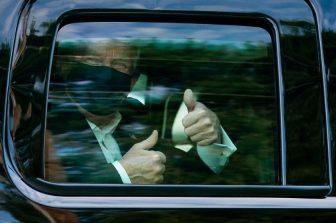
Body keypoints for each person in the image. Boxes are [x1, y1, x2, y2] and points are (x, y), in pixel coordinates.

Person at [47, 41, 237, 184]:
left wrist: (211, 139)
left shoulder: (143, 125)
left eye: (120, 65)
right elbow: (48, 194)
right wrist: (121, 175)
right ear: (66, 68)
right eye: (92, 60)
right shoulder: (42, 127)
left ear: (132, 82)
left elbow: (200, 180)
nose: (105, 72)